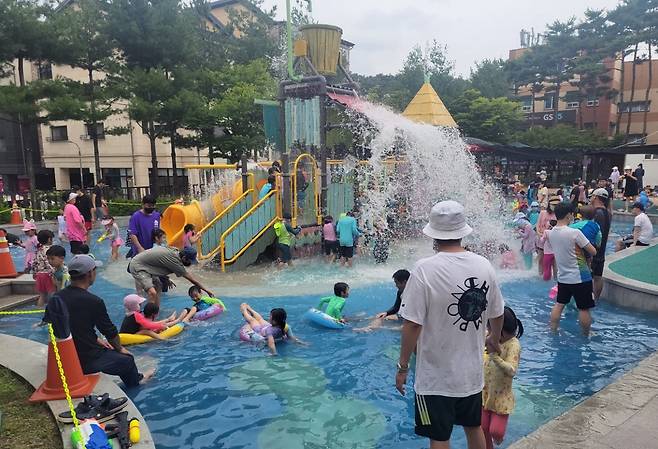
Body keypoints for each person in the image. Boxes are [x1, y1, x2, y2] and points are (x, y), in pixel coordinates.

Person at [396, 200, 505, 449]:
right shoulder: (483, 265)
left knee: (439, 436)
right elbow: (497, 313)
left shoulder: (424, 269)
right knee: (473, 427)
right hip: (471, 374)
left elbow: (411, 325)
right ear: (462, 232)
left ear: (433, 235)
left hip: (435, 378)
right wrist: (494, 339)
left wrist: (402, 367)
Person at [49, 255, 155, 387]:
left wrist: (97, 340)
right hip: (86, 359)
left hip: (64, 354)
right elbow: (109, 331)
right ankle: (137, 381)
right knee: (127, 360)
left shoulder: (57, 297)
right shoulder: (94, 301)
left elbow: (70, 326)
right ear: (89, 273)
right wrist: (120, 348)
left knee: (105, 347)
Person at [546, 203, 597, 335]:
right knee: (584, 308)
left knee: (559, 304)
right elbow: (593, 251)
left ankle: (553, 329)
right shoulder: (575, 233)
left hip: (563, 277)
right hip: (580, 277)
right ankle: (586, 333)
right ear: (569, 215)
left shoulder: (551, 234)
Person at [481, 307, 523, 449]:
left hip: (501, 396)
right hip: (485, 391)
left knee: (495, 431)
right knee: (482, 427)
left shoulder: (513, 344)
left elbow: (512, 370)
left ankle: (498, 438)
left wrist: (495, 356)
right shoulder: (489, 336)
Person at [128, 245, 214, 306]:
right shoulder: (176, 262)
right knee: (152, 292)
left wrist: (166, 278)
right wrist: (207, 290)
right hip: (138, 266)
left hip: (147, 265)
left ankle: (156, 311)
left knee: (158, 286)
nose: (189, 263)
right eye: (189, 261)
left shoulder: (175, 251)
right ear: (184, 258)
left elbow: (160, 262)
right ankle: (149, 317)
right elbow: (193, 280)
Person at [590, 188, 611, 300]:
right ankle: (596, 299)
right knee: (598, 277)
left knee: (589, 277)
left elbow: (594, 233)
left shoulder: (596, 213)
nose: (591, 198)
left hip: (593, 250)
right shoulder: (608, 213)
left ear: (596, 197)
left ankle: (587, 299)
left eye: (592, 196)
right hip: (602, 251)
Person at [33, 230, 55, 306]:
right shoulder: (50, 250)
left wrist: (34, 273)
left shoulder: (38, 250)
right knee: (52, 294)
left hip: (39, 275)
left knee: (42, 295)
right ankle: (52, 309)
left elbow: (35, 262)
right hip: (48, 274)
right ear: (49, 239)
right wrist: (54, 272)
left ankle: (39, 308)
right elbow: (49, 262)